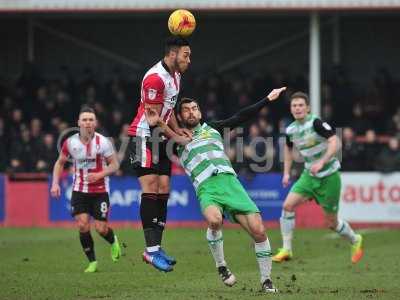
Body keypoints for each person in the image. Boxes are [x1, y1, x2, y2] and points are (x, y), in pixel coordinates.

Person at [145, 87, 286, 293]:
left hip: (230, 182)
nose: (191, 112)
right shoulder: (174, 140)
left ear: (200, 113)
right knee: (214, 220)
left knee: (259, 231)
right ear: (180, 116)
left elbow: (241, 116)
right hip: (206, 187)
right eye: (186, 110)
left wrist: (267, 99)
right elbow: (152, 141)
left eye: (195, 108)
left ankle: (266, 280)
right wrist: (156, 122)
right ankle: (221, 266)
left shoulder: (214, 128)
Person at [272, 92, 364, 264]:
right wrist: (286, 172)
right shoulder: (291, 129)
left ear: (307, 108)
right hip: (309, 176)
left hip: (329, 176)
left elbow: (335, 141)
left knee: (332, 223)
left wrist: (322, 161)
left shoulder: (316, 123)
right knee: (287, 206)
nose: (297, 108)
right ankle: (286, 249)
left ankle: (355, 239)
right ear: (291, 109)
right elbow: (288, 149)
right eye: (294, 105)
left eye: (301, 105)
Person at [126, 36, 192, 272]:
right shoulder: (155, 79)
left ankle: (157, 246)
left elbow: (168, 109)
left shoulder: (176, 76)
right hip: (144, 137)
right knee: (151, 186)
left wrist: (177, 128)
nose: (189, 60)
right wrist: (179, 138)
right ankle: (150, 251)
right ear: (172, 54)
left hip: (161, 138)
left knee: (164, 188)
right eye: (186, 55)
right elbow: (153, 120)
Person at [51, 106, 121, 273]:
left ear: (95, 123)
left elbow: (115, 165)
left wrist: (99, 175)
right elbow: (60, 163)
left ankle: (113, 241)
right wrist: (55, 183)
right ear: (78, 123)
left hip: (100, 191)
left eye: (91, 120)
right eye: (85, 120)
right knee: (83, 225)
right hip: (79, 190)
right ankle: (92, 262)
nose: (88, 123)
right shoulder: (70, 143)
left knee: (101, 228)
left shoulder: (103, 142)